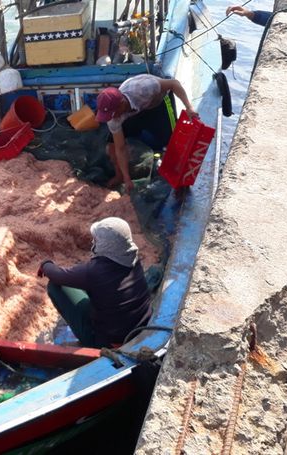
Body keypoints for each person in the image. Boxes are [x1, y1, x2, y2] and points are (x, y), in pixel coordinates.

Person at [37, 217, 152, 348]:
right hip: (141, 329)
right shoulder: (133, 257)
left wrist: (45, 264)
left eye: (96, 240)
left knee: (54, 286)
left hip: (109, 343)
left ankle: (88, 341)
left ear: (105, 245)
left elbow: (57, 275)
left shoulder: (94, 272)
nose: (93, 242)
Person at [95, 75, 199, 192]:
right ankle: (120, 176)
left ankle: (177, 175)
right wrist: (127, 178)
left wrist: (189, 107)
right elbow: (120, 148)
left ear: (122, 104)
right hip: (134, 112)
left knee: (171, 142)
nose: (111, 118)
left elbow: (174, 83)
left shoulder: (144, 88)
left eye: (112, 114)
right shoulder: (113, 118)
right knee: (112, 145)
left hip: (157, 103)